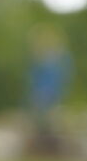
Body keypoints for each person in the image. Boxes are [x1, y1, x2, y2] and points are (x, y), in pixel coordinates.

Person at [27, 24, 73, 153]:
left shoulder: (59, 60)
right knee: (39, 121)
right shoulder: (40, 60)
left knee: (52, 121)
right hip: (41, 95)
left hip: (51, 95)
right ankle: (39, 149)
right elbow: (34, 78)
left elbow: (62, 78)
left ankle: (52, 150)